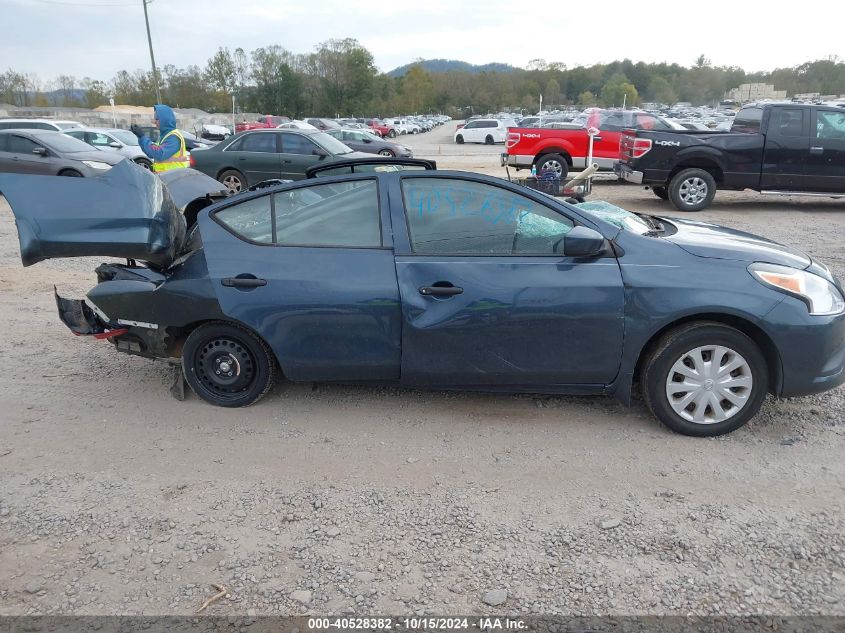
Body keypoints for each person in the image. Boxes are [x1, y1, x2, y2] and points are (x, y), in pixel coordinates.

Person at [130, 104, 189, 173]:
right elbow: (151, 154)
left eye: (157, 119)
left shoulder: (174, 137)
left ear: (165, 119)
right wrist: (140, 137)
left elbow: (159, 154)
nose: (155, 122)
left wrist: (143, 137)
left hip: (175, 178)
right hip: (166, 177)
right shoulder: (164, 136)